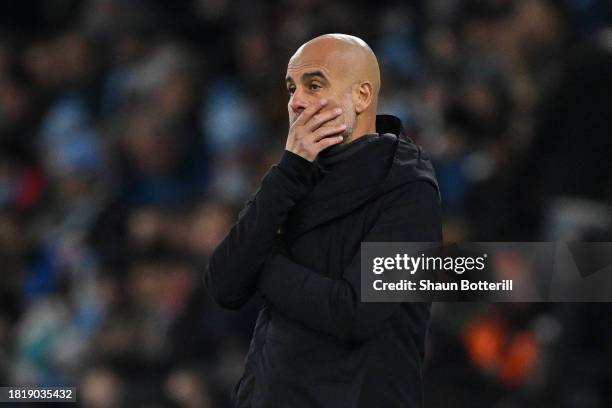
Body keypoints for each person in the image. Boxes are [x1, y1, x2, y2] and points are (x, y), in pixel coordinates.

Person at [204, 33, 442, 408]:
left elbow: (354, 313)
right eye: (291, 89)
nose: (296, 102)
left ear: (362, 96)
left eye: (314, 85)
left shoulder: (409, 189)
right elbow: (224, 284)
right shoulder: (292, 176)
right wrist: (288, 171)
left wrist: (262, 266)